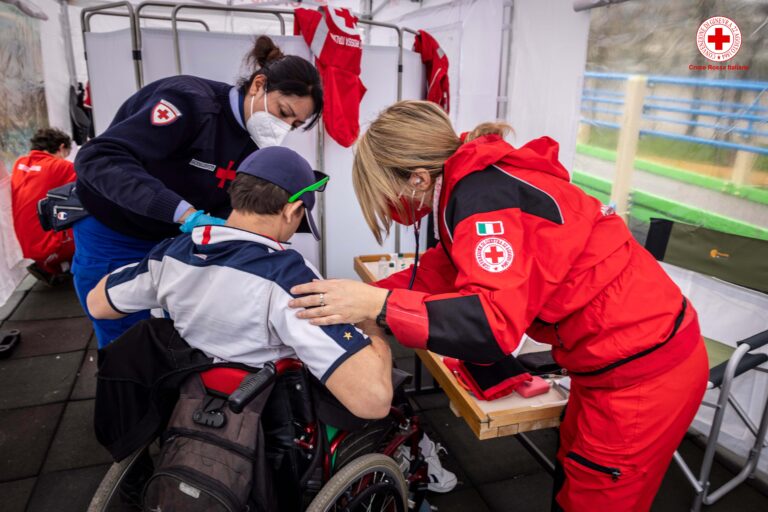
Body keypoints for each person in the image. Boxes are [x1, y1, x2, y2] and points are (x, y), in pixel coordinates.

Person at [286, 100, 709, 511]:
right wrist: (358, 300)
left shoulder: (484, 198)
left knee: (595, 493)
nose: (387, 201)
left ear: (416, 178)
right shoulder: (473, 181)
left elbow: (491, 326)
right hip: (611, 359)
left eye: (386, 187)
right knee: (574, 473)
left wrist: (380, 304)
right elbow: (448, 267)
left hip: (643, 372)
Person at [85, 146, 392, 419]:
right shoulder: (287, 278)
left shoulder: (172, 254)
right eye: (299, 220)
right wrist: (372, 323)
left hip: (191, 399)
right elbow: (373, 402)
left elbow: (97, 304)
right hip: (270, 416)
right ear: (292, 210)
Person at [74, 36, 323, 348]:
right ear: (259, 84)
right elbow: (98, 158)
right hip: (114, 228)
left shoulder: (257, 144)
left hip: (174, 238)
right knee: (123, 337)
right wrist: (184, 214)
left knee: (181, 333)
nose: (284, 127)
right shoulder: (187, 102)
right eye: (284, 112)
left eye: (295, 123)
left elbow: (235, 201)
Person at [11, 128, 77, 284]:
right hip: (47, 247)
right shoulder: (61, 166)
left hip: (23, 245)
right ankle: (61, 267)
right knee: (88, 219)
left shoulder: (19, 163)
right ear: (61, 148)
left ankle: (52, 266)